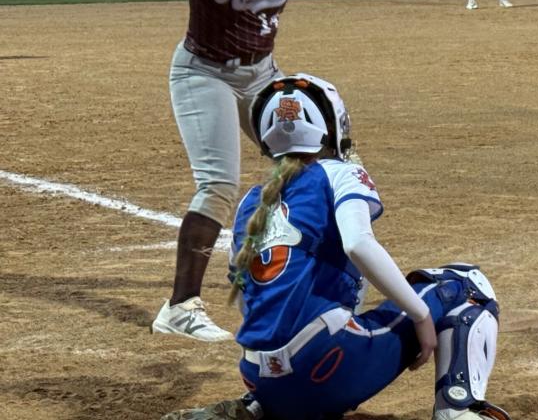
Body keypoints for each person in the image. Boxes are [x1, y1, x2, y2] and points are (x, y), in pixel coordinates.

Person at [160, 74, 510, 420]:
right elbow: (358, 243)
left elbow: (250, 295)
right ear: (332, 125)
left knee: (306, 326)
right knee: (466, 285)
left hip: (259, 377)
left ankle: (261, 407)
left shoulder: (252, 201)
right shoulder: (338, 173)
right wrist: (419, 315)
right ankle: (459, 408)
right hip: (326, 367)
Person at [116, 0, 320, 341]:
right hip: (203, 73)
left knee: (311, 162)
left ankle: (308, 279)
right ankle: (180, 308)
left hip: (262, 75)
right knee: (218, 185)